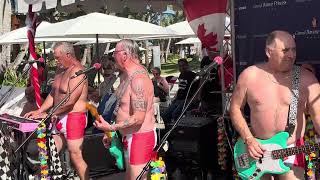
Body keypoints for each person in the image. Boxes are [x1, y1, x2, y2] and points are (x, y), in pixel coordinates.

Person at [230, 30, 320, 180]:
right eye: (285, 50)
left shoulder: (306, 79)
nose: (291, 55)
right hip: (256, 151)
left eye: (293, 50)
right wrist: (249, 139)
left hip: (290, 150)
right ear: (268, 51)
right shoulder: (250, 75)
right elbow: (235, 108)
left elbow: (318, 116)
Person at [24, 42, 89, 180]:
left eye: (58, 58)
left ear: (68, 55)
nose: (56, 61)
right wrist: (39, 110)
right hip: (58, 116)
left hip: (74, 117)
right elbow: (53, 94)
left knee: (75, 155)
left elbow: (70, 101)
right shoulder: (60, 70)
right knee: (48, 152)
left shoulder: (78, 72)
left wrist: (49, 114)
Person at [93, 39, 156, 180]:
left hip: (140, 137)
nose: (112, 58)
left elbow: (138, 118)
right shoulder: (125, 76)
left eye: (114, 53)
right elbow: (121, 108)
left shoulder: (138, 78)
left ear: (124, 55)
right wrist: (111, 132)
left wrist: (112, 127)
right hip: (128, 136)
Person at [161, 58, 198, 123]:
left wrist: (191, 99)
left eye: (183, 65)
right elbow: (181, 88)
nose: (182, 67)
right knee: (165, 114)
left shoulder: (192, 75)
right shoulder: (181, 75)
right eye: (180, 66)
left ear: (187, 65)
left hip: (187, 100)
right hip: (179, 99)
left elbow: (196, 89)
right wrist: (175, 98)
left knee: (175, 114)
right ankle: (168, 128)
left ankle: (177, 129)